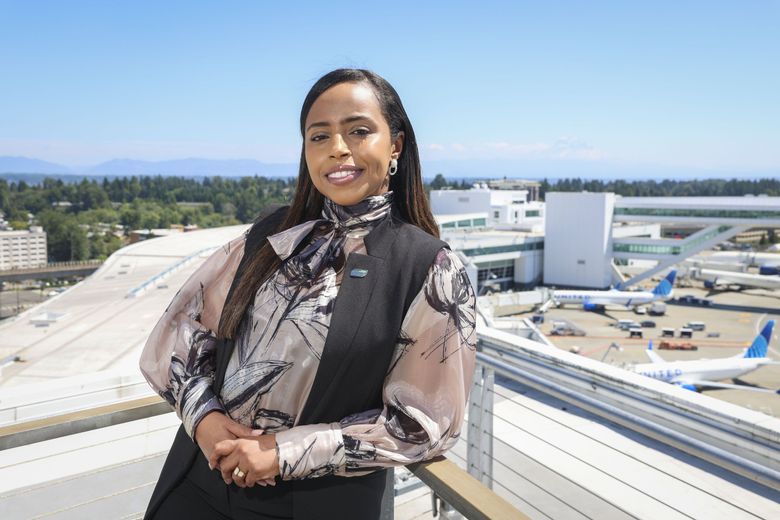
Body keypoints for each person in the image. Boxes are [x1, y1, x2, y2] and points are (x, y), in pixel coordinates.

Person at [139, 68, 477, 520]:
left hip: (317, 506)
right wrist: (204, 420)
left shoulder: (427, 268)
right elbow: (180, 330)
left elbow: (423, 425)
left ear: (395, 145)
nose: (338, 148)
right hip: (199, 482)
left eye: (358, 131)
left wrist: (282, 452)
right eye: (320, 136)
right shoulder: (269, 235)